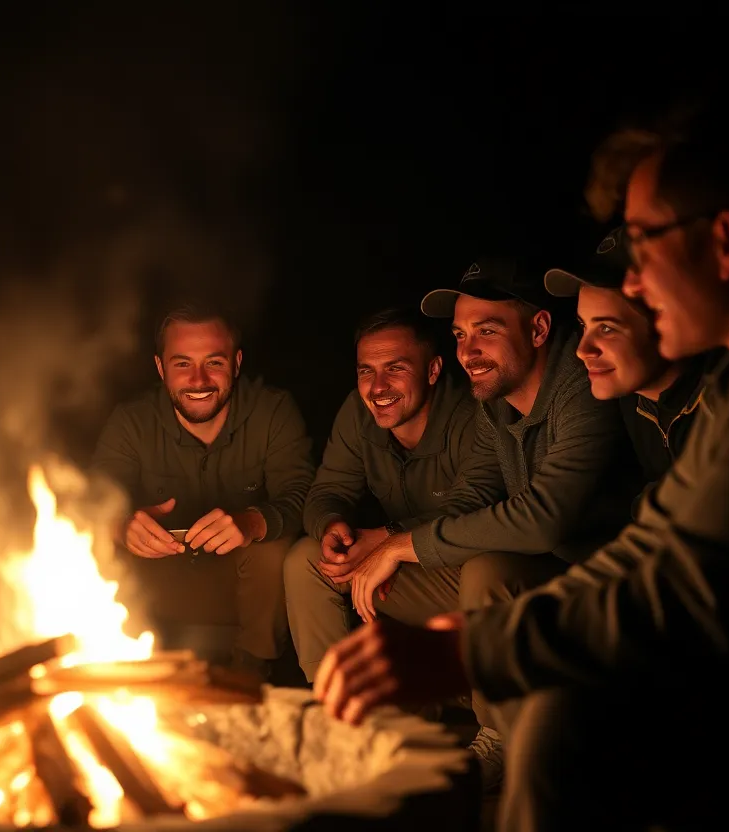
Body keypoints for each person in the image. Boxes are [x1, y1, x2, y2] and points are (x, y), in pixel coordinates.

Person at [312, 96, 729, 830]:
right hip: (724, 660)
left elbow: (688, 587)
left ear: (727, 242)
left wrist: (477, 648)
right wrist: (451, 628)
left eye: (644, 245)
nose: (635, 283)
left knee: (563, 723)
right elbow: (653, 545)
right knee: (557, 720)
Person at [338, 258, 640, 786]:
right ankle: (377, 718)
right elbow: (471, 496)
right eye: (459, 335)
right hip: (542, 570)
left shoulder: (584, 387)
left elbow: (545, 518)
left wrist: (401, 545)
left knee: (485, 573)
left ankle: (498, 738)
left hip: (603, 579)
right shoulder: (496, 402)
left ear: (540, 329)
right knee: (349, 570)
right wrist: (391, 544)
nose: (467, 351)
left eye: (487, 331)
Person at [92, 301, 315, 679]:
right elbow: (88, 505)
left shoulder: (273, 411)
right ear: (161, 368)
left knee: (277, 547)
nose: (198, 380)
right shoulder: (131, 422)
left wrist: (251, 522)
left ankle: (250, 677)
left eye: (214, 362)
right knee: (95, 543)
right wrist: (121, 525)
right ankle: (119, 675)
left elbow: (304, 495)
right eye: (182, 364)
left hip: (244, 591)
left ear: (237, 363)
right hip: (153, 591)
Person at [283, 307, 478, 682]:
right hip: (403, 567)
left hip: (465, 573)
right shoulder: (358, 412)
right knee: (308, 558)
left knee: (486, 575)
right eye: (366, 371)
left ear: (433, 370)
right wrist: (331, 526)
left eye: (396, 368)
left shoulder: (470, 416)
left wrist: (389, 538)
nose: (377, 387)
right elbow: (327, 490)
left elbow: (478, 513)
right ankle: (333, 703)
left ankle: (485, 710)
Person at [544, 225, 720, 487]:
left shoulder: (720, 407)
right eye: (583, 326)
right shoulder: (634, 402)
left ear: (664, 320)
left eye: (606, 328)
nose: (582, 350)